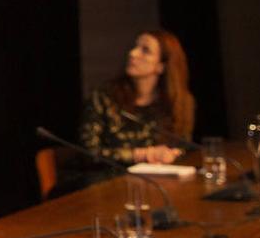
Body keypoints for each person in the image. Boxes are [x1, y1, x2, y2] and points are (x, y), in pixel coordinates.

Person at [79, 29, 196, 165]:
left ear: (161, 66)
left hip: (159, 179)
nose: (132, 53)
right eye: (135, 47)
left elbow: (183, 148)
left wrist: (172, 155)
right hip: (108, 179)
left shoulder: (180, 102)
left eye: (145, 50)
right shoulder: (104, 97)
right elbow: (87, 153)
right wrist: (141, 154)